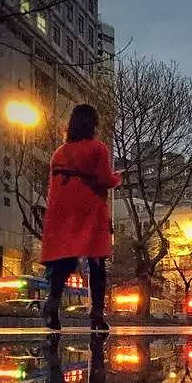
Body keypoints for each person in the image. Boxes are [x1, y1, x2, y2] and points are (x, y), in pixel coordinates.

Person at [41, 104, 122, 331]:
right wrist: (117, 179)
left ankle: (52, 305)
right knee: (96, 262)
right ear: (93, 124)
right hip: (89, 210)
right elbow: (104, 179)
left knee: (65, 261)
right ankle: (96, 314)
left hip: (63, 211)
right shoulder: (97, 149)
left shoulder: (59, 152)